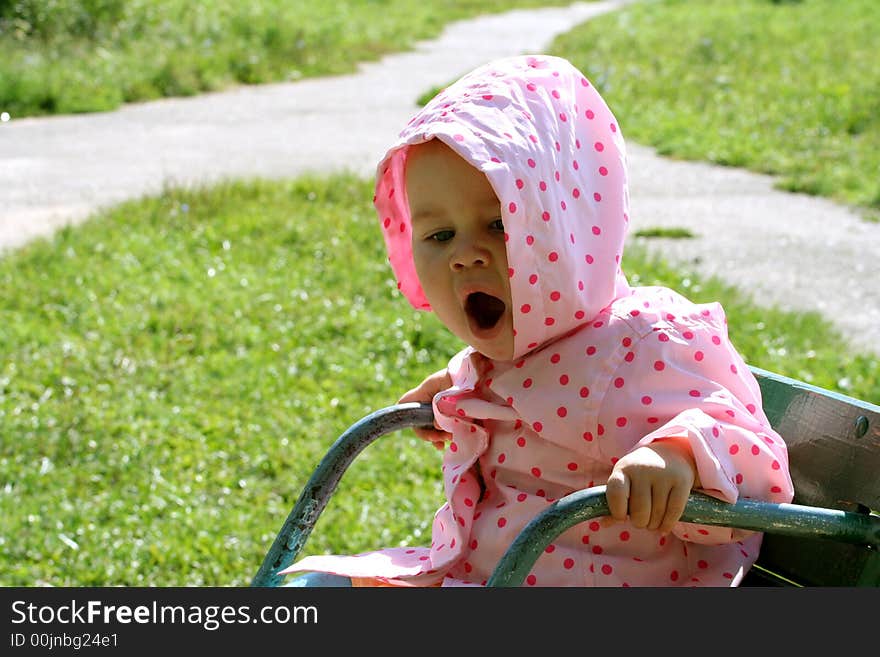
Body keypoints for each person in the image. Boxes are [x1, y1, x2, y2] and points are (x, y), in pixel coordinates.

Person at [281, 54, 794, 587]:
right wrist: (453, 391)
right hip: (485, 578)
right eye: (439, 236)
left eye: (498, 225)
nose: (464, 256)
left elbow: (753, 455)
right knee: (311, 591)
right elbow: (533, 389)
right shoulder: (518, 349)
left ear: (567, 226)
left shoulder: (647, 340)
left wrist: (680, 455)